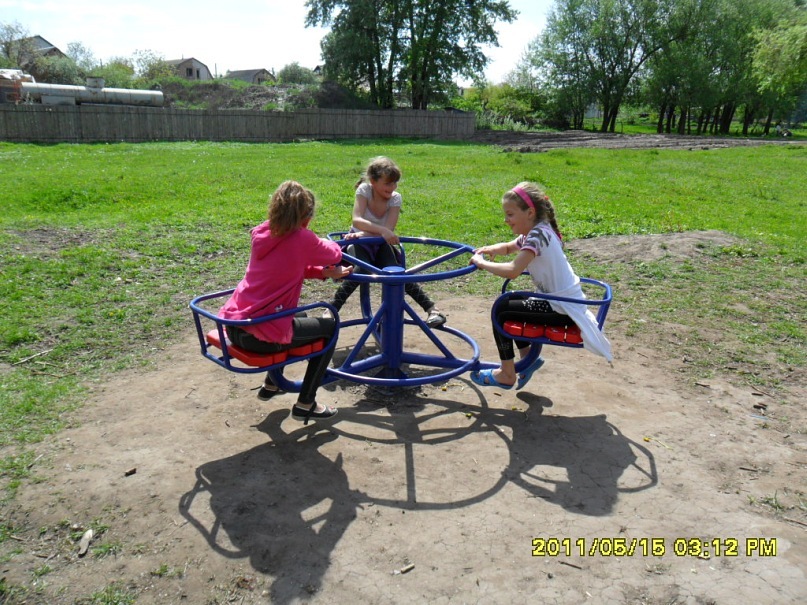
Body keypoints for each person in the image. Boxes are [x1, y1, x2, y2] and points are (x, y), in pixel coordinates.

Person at [218, 180, 352, 424]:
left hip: (236, 326)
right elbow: (334, 253)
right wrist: (334, 242)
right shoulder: (302, 238)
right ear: (306, 217)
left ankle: (272, 384)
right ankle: (306, 403)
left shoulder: (265, 232)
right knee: (330, 327)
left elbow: (289, 266)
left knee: (299, 316)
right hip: (259, 337)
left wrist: (323, 272)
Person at [469, 182, 613, 390]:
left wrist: (481, 263)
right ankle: (528, 358)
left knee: (501, 309)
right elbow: (509, 247)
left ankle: (507, 374)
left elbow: (513, 270)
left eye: (510, 214)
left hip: (561, 308)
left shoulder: (537, 236)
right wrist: (489, 249)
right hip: (561, 303)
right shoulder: (538, 231)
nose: (506, 220)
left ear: (529, 213)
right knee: (512, 301)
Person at [326, 156, 446, 327]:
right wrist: (374, 232)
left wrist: (368, 232)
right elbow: (357, 220)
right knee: (362, 270)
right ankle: (332, 309)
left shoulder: (395, 198)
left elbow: (388, 229)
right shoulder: (364, 190)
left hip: (378, 243)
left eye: (395, 182)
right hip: (359, 244)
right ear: (373, 181)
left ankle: (432, 310)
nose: (393, 187)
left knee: (396, 273)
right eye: (388, 183)